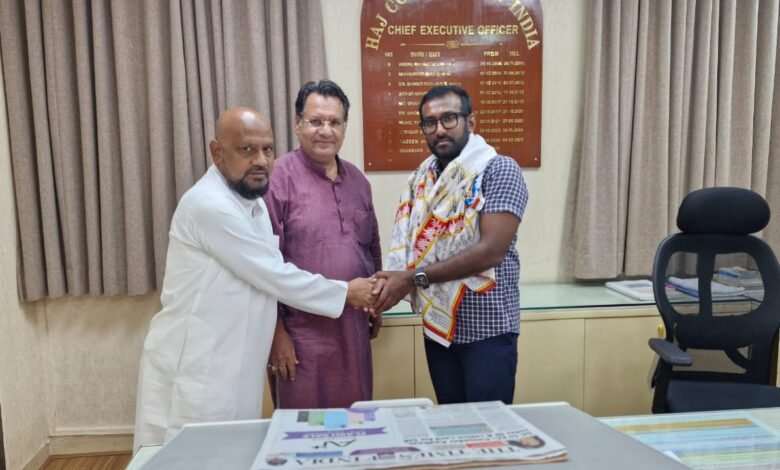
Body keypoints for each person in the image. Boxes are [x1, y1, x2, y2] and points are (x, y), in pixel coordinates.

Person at [133, 107, 376, 451]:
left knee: (232, 454)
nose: (261, 160)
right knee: (188, 456)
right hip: (196, 366)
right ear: (217, 152)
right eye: (247, 149)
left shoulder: (253, 203)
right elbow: (273, 275)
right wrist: (346, 292)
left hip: (237, 364)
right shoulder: (209, 205)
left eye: (267, 149)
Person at [373, 85, 529, 405]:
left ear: (470, 121)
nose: (439, 129)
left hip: (487, 329)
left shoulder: (498, 169)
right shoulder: (422, 179)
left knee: (490, 426)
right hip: (439, 329)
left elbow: (491, 251)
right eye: (429, 122)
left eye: (449, 118)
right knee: (450, 421)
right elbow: (411, 244)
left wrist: (412, 279)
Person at [264, 80, 382, 408]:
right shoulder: (277, 179)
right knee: (302, 428)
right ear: (297, 124)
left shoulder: (358, 181)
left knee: (355, 421)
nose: (326, 131)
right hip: (300, 336)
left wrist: (376, 303)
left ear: (344, 127)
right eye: (316, 121)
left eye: (335, 122)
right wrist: (276, 334)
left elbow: (371, 247)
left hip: (353, 331)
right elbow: (264, 266)